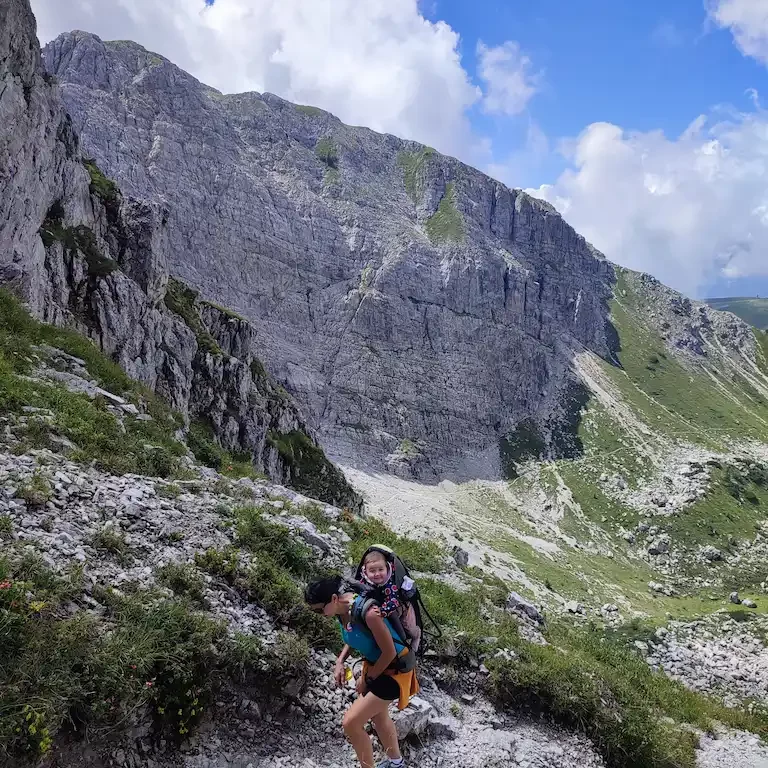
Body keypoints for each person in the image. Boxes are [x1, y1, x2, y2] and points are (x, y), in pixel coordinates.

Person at [305, 575, 419, 768]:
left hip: (396, 669)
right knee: (379, 716)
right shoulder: (342, 612)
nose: (319, 614)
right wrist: (340, 661)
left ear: (334, 598)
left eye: (319, 610)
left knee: (351, 723)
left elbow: (390, 652)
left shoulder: (369, 614)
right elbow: (353, 636)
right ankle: (396, 763)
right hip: (377, 666)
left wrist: (367, 679)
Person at [359, 549, 421, 653]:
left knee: (409, 629)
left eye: (380, 569)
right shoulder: (364, 581)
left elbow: (394, 602)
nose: (377, 574)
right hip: (382, 606)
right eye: (372, 571)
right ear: (365, 571)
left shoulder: (389, 584)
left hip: (401, 608)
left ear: (387, 568)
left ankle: (416, 636)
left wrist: (382, 610)